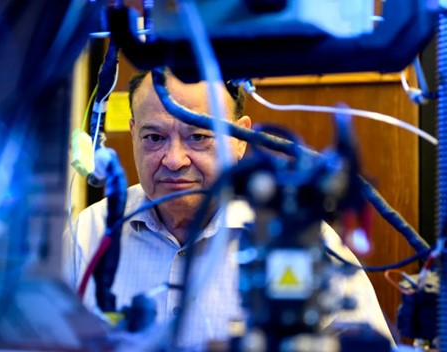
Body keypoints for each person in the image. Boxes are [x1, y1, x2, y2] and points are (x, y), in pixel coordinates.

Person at [63, 70, 394, 348]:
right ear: (133, 134)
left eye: (198, 136)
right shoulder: (91, 233)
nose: (174, 160)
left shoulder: (299, 237)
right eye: (154, 137)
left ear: (240, 138)